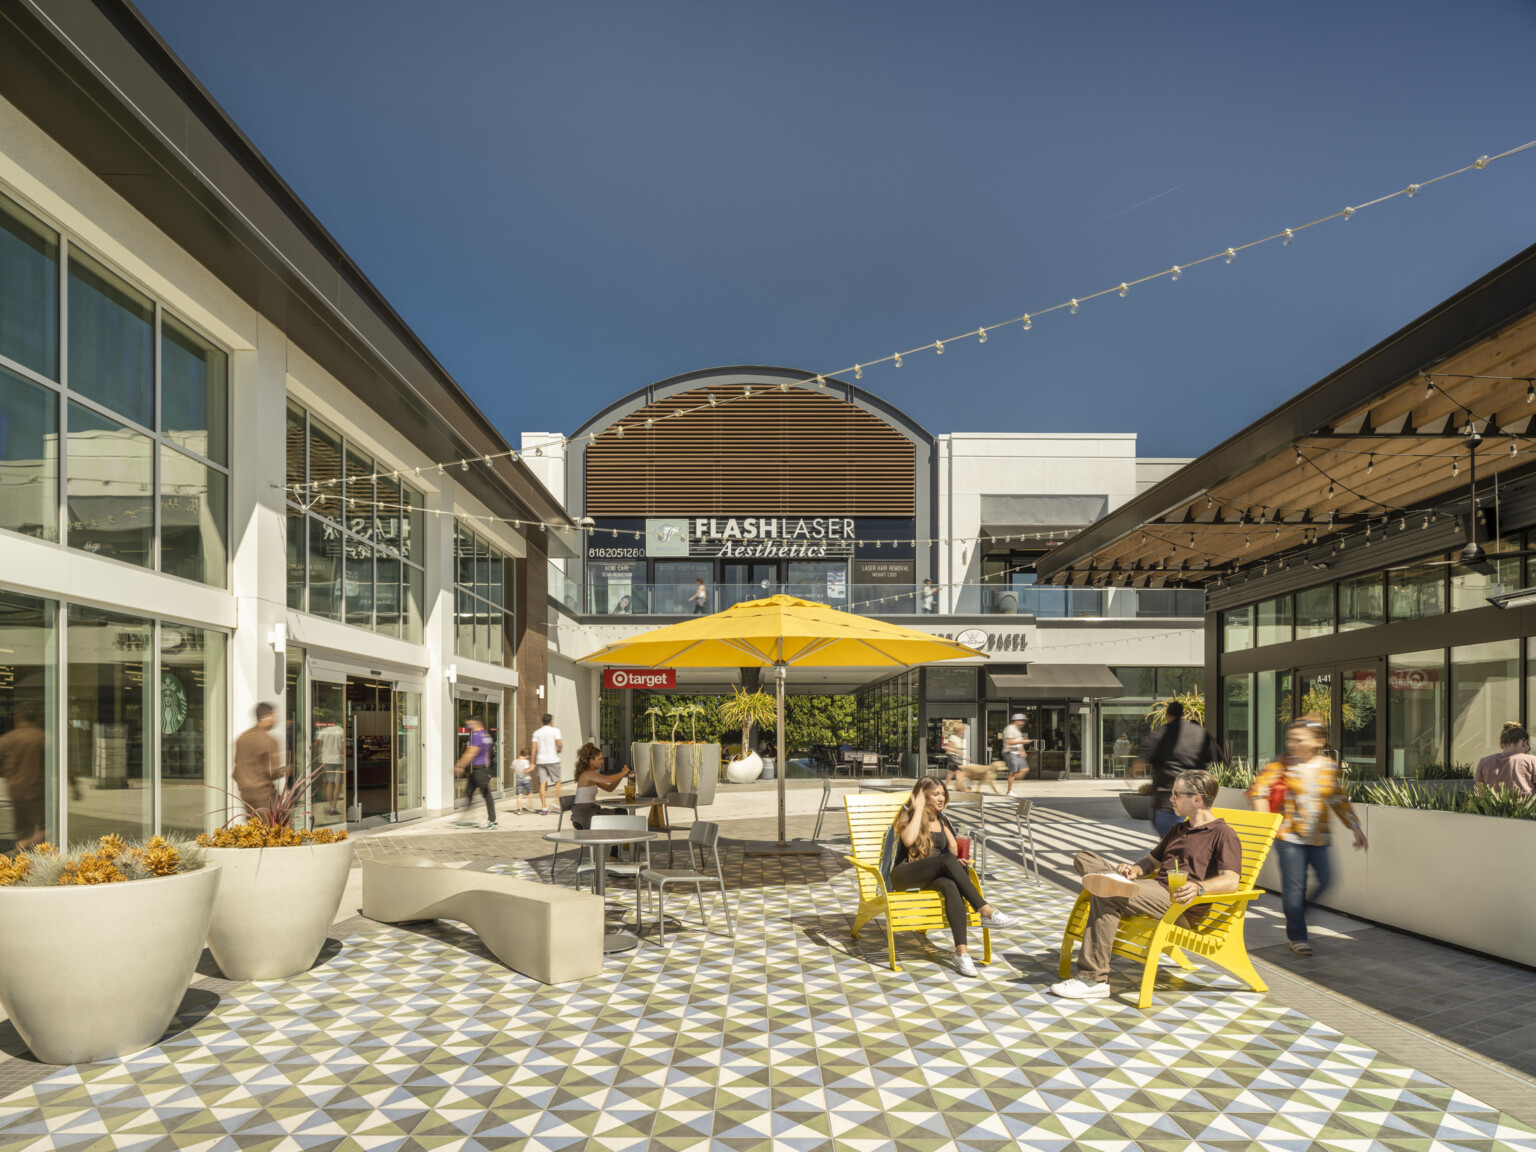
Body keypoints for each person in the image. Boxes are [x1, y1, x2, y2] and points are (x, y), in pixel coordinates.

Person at [1051, 768, 1241, 1000]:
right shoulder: (1177, 829)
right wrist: (1135, 870)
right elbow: (1151, 862)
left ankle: (1093, 980)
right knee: (1085, 857)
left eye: (1176, 794)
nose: (1171, 799)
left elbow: (1232, 880)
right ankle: (1114, 884)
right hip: (1151, 892)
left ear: (1197, 799)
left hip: (1178, 905)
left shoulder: (1222, 834)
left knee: (1105, 890)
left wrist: (1199, 888)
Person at [1247, 718, 1366, 956]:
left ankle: (1297, 913)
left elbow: (1337, 799)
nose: (1292, 743)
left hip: (1319, 837)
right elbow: (1258, 790)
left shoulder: (1328, 767)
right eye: (1290, 739)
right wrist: (1266, 826)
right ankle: (1298, 935)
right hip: (1288, 835)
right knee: (1295, 887)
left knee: (1327, 879)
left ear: (1317, 741)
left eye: (1298, 739)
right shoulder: (1280, 765)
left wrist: (1355, 827)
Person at [887, 778, 1016, 977]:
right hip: (905, 875)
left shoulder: (942, 819)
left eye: (943, 794)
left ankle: (961, 953)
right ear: (923, 795)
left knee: (950, 884)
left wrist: (962, 860)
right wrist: (918, 808)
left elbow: (954, 851)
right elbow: (908, 839)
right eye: (935, 794)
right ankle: (986, 910)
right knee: (947, 861)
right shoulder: (908, 815)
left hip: (933, 875)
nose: (941, 798)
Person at [1130, 700, 1223, 835]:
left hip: (1167, 802)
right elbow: (1212, 759)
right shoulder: (1200, 733)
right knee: (1188, 842)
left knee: (1170, 844)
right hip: (1196, 802)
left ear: (1167, 716)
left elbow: (1140, 763)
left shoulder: (1161, 733)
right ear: (1183, 715)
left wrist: (1131, 774)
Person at [0, 710, 46, 849]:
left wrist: (8, 774)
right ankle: (31, 849)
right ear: (37, 719)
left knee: (22, 827)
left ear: (19, 717)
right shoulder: (42, 737)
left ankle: (24, 857)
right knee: (48, 825)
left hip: (15, 789)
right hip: (36, 788)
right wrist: (74, 784)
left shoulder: (7, 738)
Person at [233, 702, 287, 822]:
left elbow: (236, 772)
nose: (277, 720)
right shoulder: (270, 741)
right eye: (274, 717)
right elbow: (272, 772)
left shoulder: (242, 738)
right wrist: (286, 770)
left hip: (246, 795)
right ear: (264, 717)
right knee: (275, 831)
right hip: (264, 795)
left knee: (254, 832)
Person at [571, 742, 632, 829]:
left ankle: (617, 842)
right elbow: (608, 779)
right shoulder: (588, 774)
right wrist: (623, 773)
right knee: (620, 814)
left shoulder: (592, 774)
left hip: (591, 811)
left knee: (621, 812)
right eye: (600, 759)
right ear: (591, 761)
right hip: (584, 815)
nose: (602, 762)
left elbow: (609, 788)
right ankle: (615, 842)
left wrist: (621, 775)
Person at [453, 717, 497, 828]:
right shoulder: (487, 736)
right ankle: (466, 816)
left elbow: (470, 753)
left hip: (479, 770)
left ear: (475, 723)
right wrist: (488, 771)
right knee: (469, 792)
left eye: (469, 723)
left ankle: (492, 821)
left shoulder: (476, 736)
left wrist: (460, 766)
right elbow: (487, 756)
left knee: (487, 795)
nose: (468, 726)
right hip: (480, 770)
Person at [1474, 722, 1536, 796]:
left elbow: (1480, 793)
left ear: (1501, 744)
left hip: (1493, 807)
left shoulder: (1484, 762)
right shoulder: (1532, 761)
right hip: (1525, 807)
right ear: (1524, 743)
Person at [531, 712, 563, 816]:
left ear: (542, 722)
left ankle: (544, 808)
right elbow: (559, 744)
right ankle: (556, 803)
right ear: (551, 721)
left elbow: (533, 748)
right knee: (558, 782)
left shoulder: (537, 733)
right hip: (553, 760)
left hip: (541, 761)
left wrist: (532, 762)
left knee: (542, 784)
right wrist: (558, 750)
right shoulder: (555, 731)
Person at [314, 719, 346, 816]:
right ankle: (333, 807)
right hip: (338, 760)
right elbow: (343, 746)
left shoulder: (323, 731)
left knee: (329, 783)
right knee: (337, 784)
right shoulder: (341, 730)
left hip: (326, 760)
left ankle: (328, 804)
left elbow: (316, 745)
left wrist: (321, 751)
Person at [1002, 713, 1030, 793]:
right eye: (1022, 721)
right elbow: (1010, 742)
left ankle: (1010, 782)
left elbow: (1018, 741)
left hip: (1017, 753)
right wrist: (1023, 741)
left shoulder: (1017, 729)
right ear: (1016, 721)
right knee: (1013, 772)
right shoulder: (1009, 729)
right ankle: (1009, 791)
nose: (1023, 723)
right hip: (1010, 752)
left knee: (1025, 770)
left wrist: (1022, 750)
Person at [942, 721, 968, 790]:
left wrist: (965, 755)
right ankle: (963, 788)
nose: (964, 732)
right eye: (963, 730)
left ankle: (945, 786)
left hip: (957, 757)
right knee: (959, 772)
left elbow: (960, 750)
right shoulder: (953, 737)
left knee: (951, 773)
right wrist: (956, 751)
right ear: (960, 730)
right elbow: (946, 748)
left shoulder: (960, 738)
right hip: (953, 757)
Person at [511, 747, 534, 813]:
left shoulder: (514, 761)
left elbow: (513, 770)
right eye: (529, 756)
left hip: (518, 779)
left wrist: (518, 771)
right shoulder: (526, 761)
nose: (529, 757)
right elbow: (526, 771)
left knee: (519, 795)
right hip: (526, 779)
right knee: (530, 793)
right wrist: (532, 768)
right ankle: (528, 805)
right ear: (527, 755)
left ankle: (519, 810)